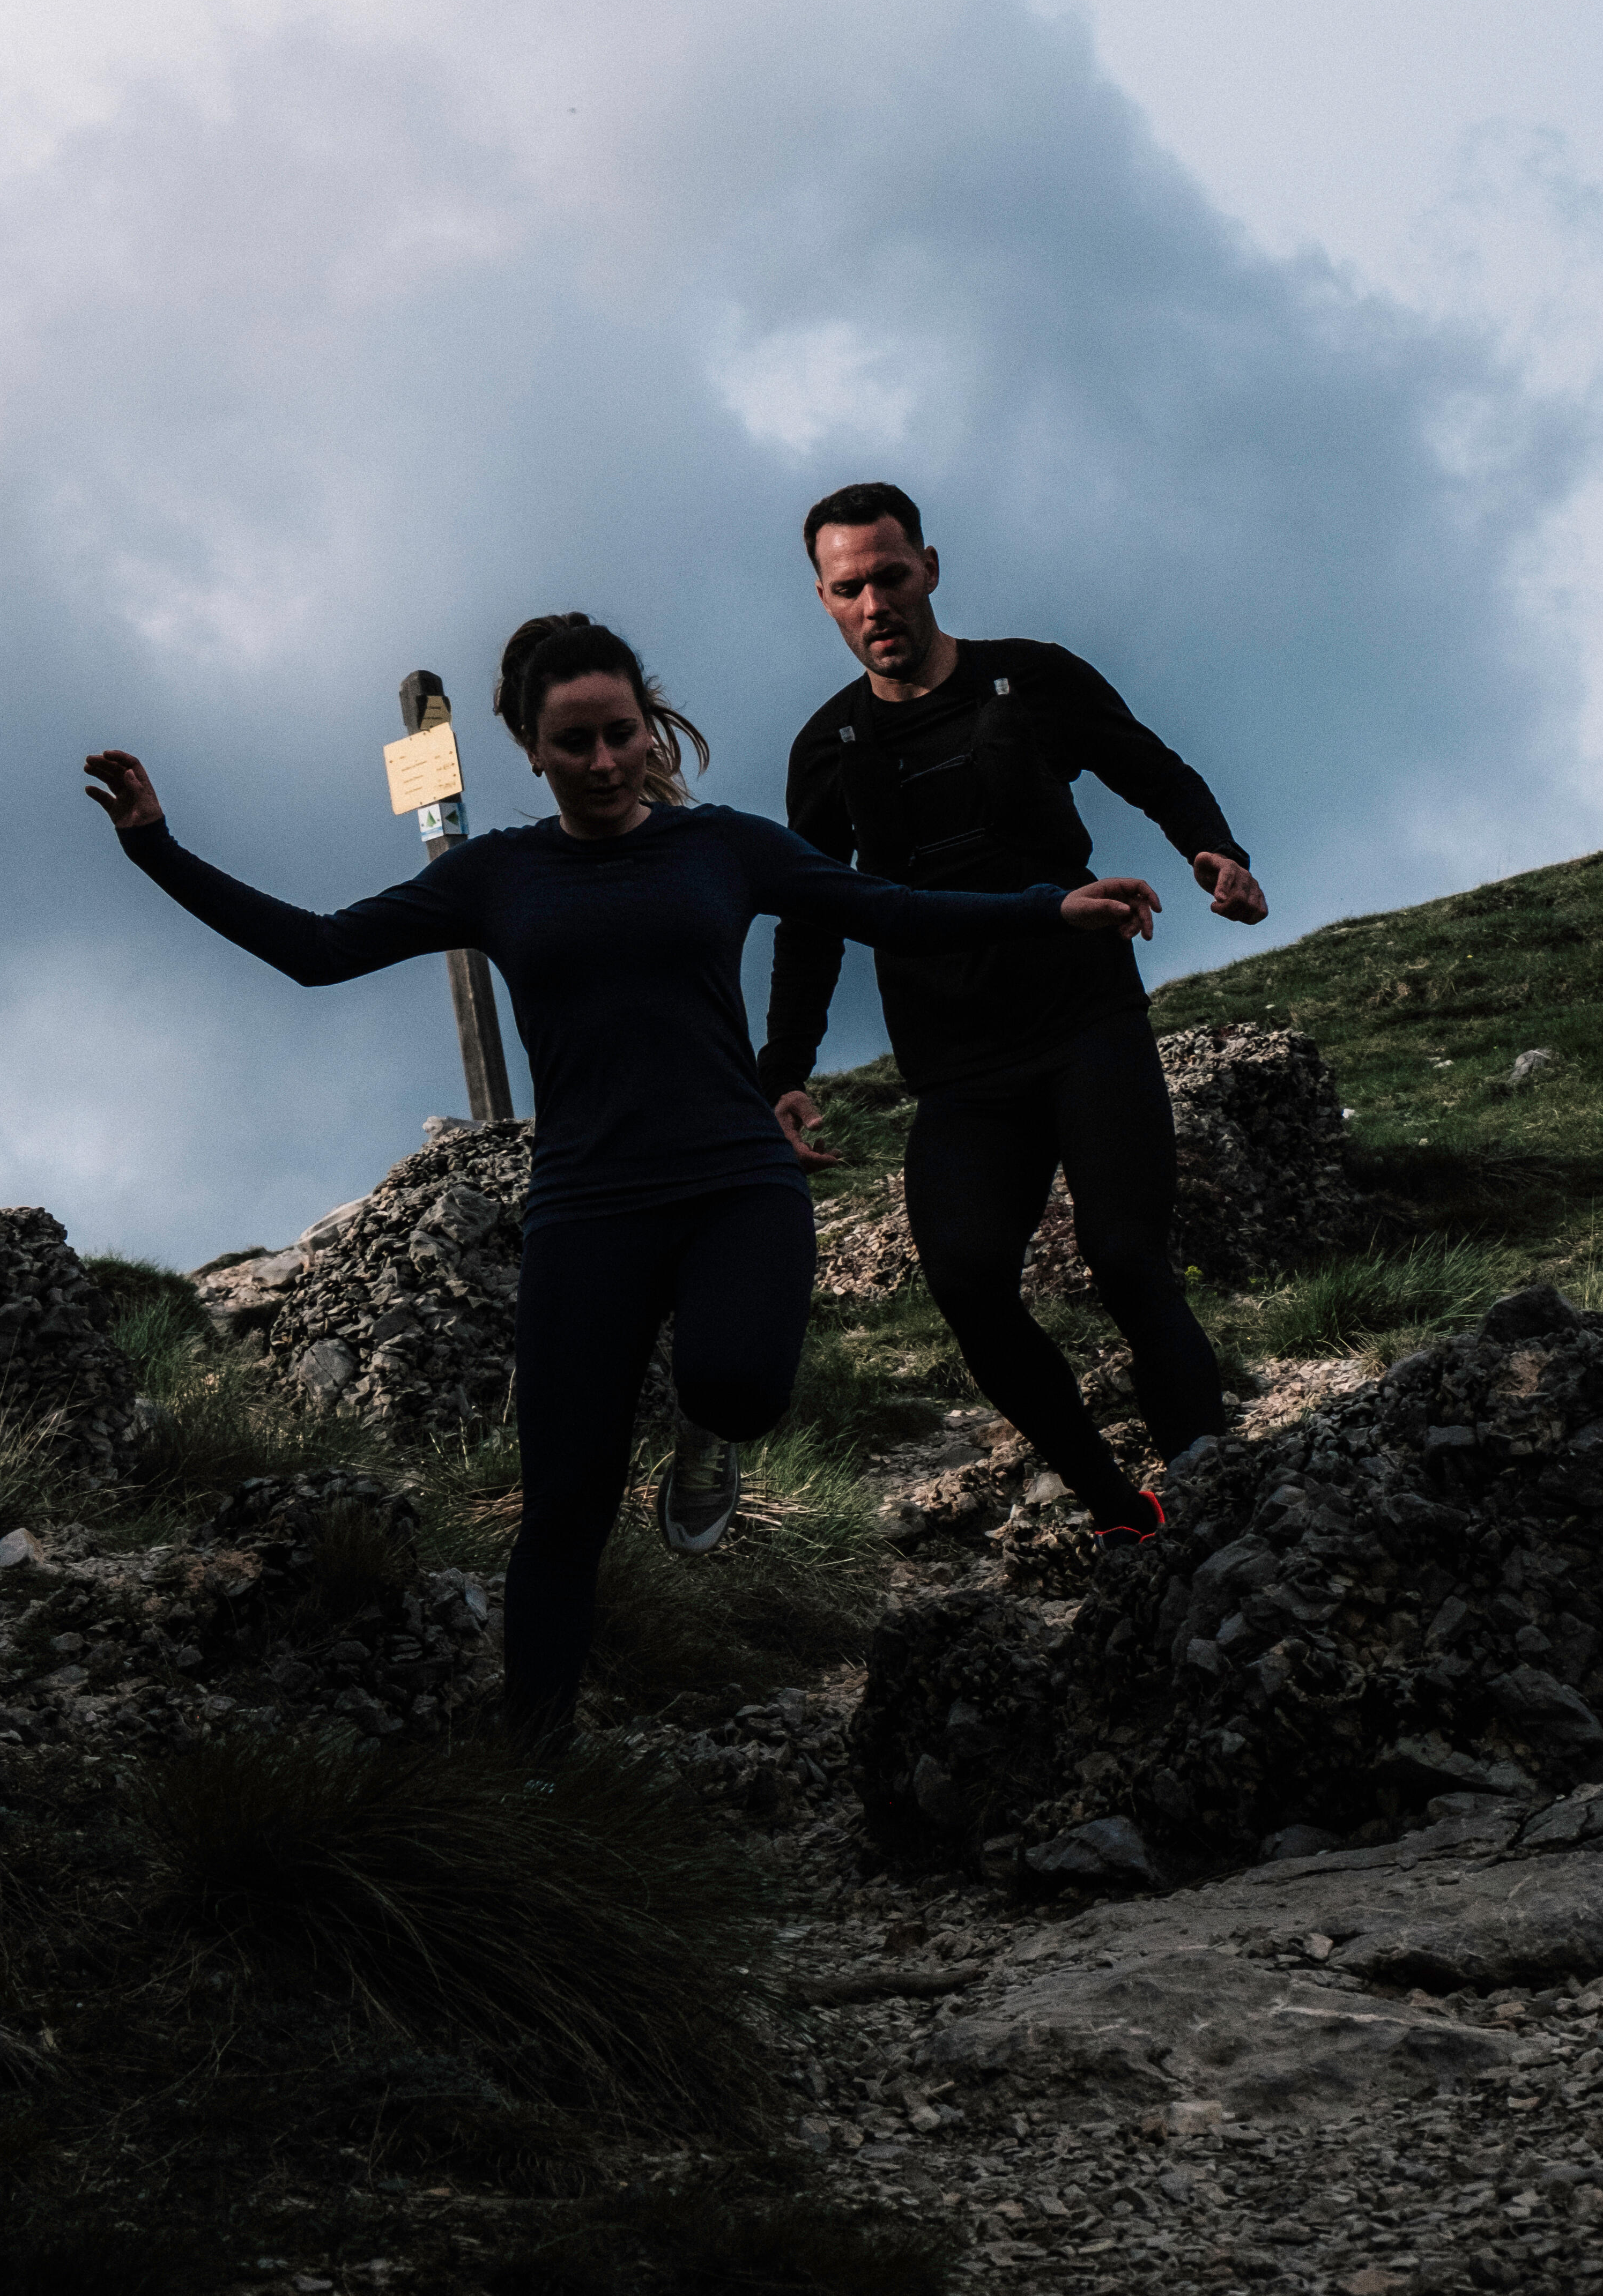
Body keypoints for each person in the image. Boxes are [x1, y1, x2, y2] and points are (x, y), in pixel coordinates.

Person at [84, 612, 1160, 1749]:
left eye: (620, 735)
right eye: (574, 744)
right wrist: (157, 847)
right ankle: (538, 1771)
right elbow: (315, 951)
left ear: (650, 731)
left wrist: (1047, 909)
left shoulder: (724, 849)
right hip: (588, 1209)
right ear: (532, 752)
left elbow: (890, 910)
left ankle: (705, 1450)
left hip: (736, 1180)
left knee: (739, 1385)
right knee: (562, 1509)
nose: (602, 763)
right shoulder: (494, 874)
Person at [756, 484, 1268, 1547]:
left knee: (1125, 1255)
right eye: (847, 588)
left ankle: (1209, 1493)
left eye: (889, 577)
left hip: (1084, 1023)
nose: (874, 604)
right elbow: (807, 919)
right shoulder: (828, 747)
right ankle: (1123, 1517)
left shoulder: (1031, 679)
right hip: (956, 1069)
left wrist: (1212, 849)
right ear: (822, 599)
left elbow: (1150, 768)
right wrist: (786, 1069)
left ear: (929, 569)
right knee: (966, 1281)